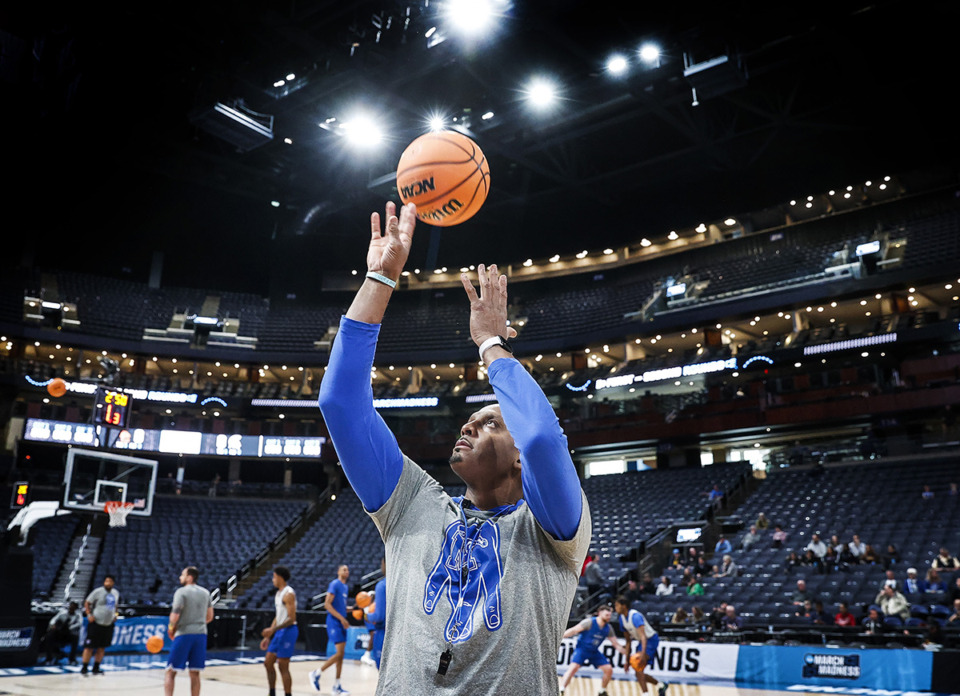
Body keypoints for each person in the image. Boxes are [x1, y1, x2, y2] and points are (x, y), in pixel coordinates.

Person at [316, 203, 590, 695]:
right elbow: (340, 402)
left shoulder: (556, 531)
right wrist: (379, 280)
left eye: (488, 424)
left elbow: (545, 439)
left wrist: (490, 344)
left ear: (518, 454)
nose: (468, 426)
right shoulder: (410, 503)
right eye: (470, 420)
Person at [165, 566, 213, 696]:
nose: (180, 577)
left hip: (184, 634)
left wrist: (171, 628)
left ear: (189, 577)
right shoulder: (206, 592)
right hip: (201, 635)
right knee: (195, 673)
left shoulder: (181, 592)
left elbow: (175, 615)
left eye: (182, 575)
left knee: (171, 671)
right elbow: (210, 617)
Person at [558, 605, 628, 696]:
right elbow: (574, 630)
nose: (609, 617)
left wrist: (627, 654)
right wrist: (560, 637)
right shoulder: (589, 622)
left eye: (610, 615)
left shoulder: (608, 628)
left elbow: (616, 645)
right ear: (600, 613)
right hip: (582, 650)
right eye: (607, 615)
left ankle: (602, 691)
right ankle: (561, 689)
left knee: (609, 669)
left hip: (594, 652)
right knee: (573, 668)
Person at [613, 596, 667, 696]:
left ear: (624, 606)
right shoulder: (621, 619)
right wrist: (626, 660)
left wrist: (642, 653)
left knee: (638, 666)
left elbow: (643, 636)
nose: (615, 607)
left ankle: (645, 693)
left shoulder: (635, 616)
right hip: (642, 641)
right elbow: (628, 641)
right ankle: (660, 685)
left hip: (650, 639)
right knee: (638, 672)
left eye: (617, 605)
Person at [310, 565, 348, 694]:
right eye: (343, 569)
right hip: (334, 622)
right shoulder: (335, 584)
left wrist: (350, 609)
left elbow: (340, 606)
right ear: (338, 571)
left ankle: (337, 686)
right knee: (338, 654)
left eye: (347, 570)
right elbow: (327, 604)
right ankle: (316, 673)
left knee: (341, 655)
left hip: (341, 621)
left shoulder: (345, 587)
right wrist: (342, 619)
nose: (346, 571)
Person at [262, 567, 298, 696]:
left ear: (280, 577)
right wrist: (269, 635)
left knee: (283, 666)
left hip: (289, 631)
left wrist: (273, 629)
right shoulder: (278, 594)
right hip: (279, 631)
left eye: (274, 577)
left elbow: (291, 618)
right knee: (268, 663)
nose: (273, 580)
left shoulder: (289, 594)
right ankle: (272, 692)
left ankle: (288, 694)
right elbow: (278, 617)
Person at [81, 574, 120, 675]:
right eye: (106, 581)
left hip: (108, 624)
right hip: (96, 623)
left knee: (102, 647)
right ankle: (84, 667)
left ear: (113, 583)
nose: (108, 583)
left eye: (110, 581)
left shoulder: (115, 593)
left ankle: (96, 668)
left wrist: (116, 615)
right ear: (104, 582)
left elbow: (115, 607)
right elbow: (87, 603)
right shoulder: (97, 591)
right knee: (89, 647)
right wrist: (89, 614)